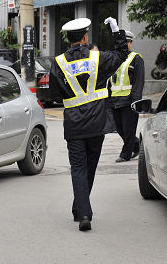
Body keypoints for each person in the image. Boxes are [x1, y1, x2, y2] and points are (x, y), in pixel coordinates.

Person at [49, 17, 128, 231]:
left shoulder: (59, 63)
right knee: (90, 166)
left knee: (78, 168)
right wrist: (115, 30)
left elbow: (54, 93)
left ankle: (81, 210)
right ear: (85, 37)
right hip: (97, 122)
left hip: (74, 124)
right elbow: (122, 55)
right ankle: (83, 210)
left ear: (68, 38)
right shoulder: (96, 58)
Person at [109, 30, 145, 162]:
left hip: (129, 101)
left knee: (128, 129)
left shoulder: (136, 58)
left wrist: (136, 102)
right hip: (115, 100)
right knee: (119, 129)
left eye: (126, 43)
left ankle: (125, 154)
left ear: (130, 43)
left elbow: (138, 82)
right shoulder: (114, 58)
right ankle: (136, 145)